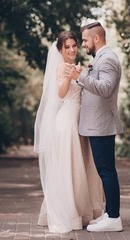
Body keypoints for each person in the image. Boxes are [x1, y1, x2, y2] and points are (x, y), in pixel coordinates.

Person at [33, 31, 104, 233]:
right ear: (60, 50)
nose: (72, 49)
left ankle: (83, 211)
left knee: (80, 166)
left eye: (74, 45)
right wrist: (70, 76)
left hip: (79, 122)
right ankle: (71, 214)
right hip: (67, 123)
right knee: (69, 167)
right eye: (68, 47)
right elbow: (61, 94)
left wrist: (80, 74)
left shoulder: (76, 65)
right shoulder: (62, 67)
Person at [66, 22, 124, 232]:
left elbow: (106, 89)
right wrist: (85, 76)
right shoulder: (100, 58)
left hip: (101, 124)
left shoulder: (107, 59)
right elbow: (96, 84)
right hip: (96, 124)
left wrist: (80, 77)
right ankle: (109, 213)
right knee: (104, 170)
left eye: (85, 40)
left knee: (107, 171)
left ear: (96, 38)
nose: (83, 44)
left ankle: (114, 218)